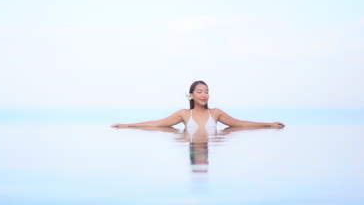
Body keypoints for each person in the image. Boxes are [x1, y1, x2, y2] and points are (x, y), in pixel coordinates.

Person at [111, 80, 285, 129]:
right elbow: (156, 124)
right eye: (200, 92)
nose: (204, 95)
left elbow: (240, 123)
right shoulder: (184, 115)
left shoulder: (215, 113)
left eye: (206, 91)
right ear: (191, 95)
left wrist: (269, 124)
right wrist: (125, 125)